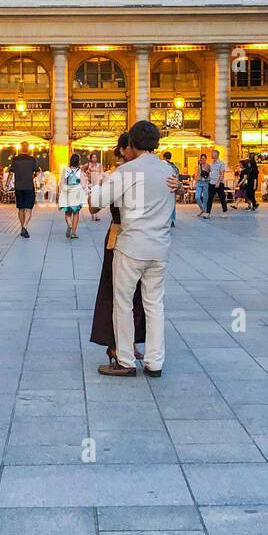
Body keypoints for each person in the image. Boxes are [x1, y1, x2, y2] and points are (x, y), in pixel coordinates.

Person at [90, 121, 177, 377]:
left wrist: (97, 184)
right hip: (160, 247)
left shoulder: (127, 171)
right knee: (154, 305)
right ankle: (155, 362)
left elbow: (96, 202)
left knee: (123, 303)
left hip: (131, 247)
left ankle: (126, 360)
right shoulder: (168, 170)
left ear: (132, 144)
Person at [90, 133, 146, 364]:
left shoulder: (141, 174)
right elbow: (94, 208)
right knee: (117, 292)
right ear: (125, 150)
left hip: (138, 238)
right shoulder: (121, 175)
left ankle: (129, 342)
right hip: (119, 236)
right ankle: (117, 344)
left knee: (134, 295)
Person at [7, 149, 38, 237]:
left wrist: (7, 184)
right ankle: (25, 226)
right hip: (29, 186)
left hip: (19, 187)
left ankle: (22, 227)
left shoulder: (15, 159)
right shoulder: (32, 159)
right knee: (28, 208)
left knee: (21, 208)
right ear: (28, 149)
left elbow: (11, 173)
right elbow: (37, 171)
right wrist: (34, 176)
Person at [59, 153, 87, 239]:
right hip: (76, 193)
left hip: (66, 192)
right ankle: (73, 233)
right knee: (76, 213)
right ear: (78, 161)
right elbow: (83, 184)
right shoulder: (80, 171)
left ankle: (69, 225)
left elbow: (61, 183)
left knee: (67, 212)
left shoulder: (65, 170)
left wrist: (59, 193)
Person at [206, 148, 229, 215]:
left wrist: (218, 182)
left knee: (222, 198)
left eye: (212, 153)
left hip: (219, 183)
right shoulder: (211, 164)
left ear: (216, 154)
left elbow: (222, 173)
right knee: (210, 198)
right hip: (211, 183)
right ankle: (208, 213)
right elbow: (210, 172)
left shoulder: (221, 163)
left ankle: (225, 211)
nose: (211, 154)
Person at [162, 151, 180, 227]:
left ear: (164, 157)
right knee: (172, 204)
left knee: (164, 204)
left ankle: (165, 219)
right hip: (173, 186)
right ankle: (172, 220)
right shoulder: (175, 167)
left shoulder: (163, 165)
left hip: (165, 186)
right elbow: (177, 177)